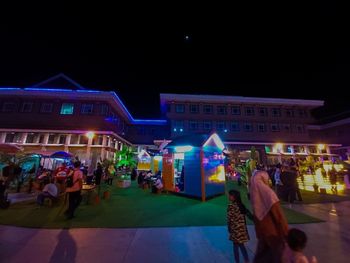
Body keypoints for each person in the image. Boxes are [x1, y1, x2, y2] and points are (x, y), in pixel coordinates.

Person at [249, 169, 289, 263]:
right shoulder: (269, 194)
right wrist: (286, 234)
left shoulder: (255, 198)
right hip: (274, 237)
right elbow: (280, 217)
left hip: (264, 237)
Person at [227, 189, 252, 263]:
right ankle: (246, 260)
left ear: (234, 197)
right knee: (241, 245)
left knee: (235, 246)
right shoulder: (241, 205)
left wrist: (229, 228)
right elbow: (249, 215)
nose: (229, 196)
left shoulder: (231, 206)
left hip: (235, 229)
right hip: (242, 229)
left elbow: (229, 219)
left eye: (230, 195)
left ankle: (237, 261)